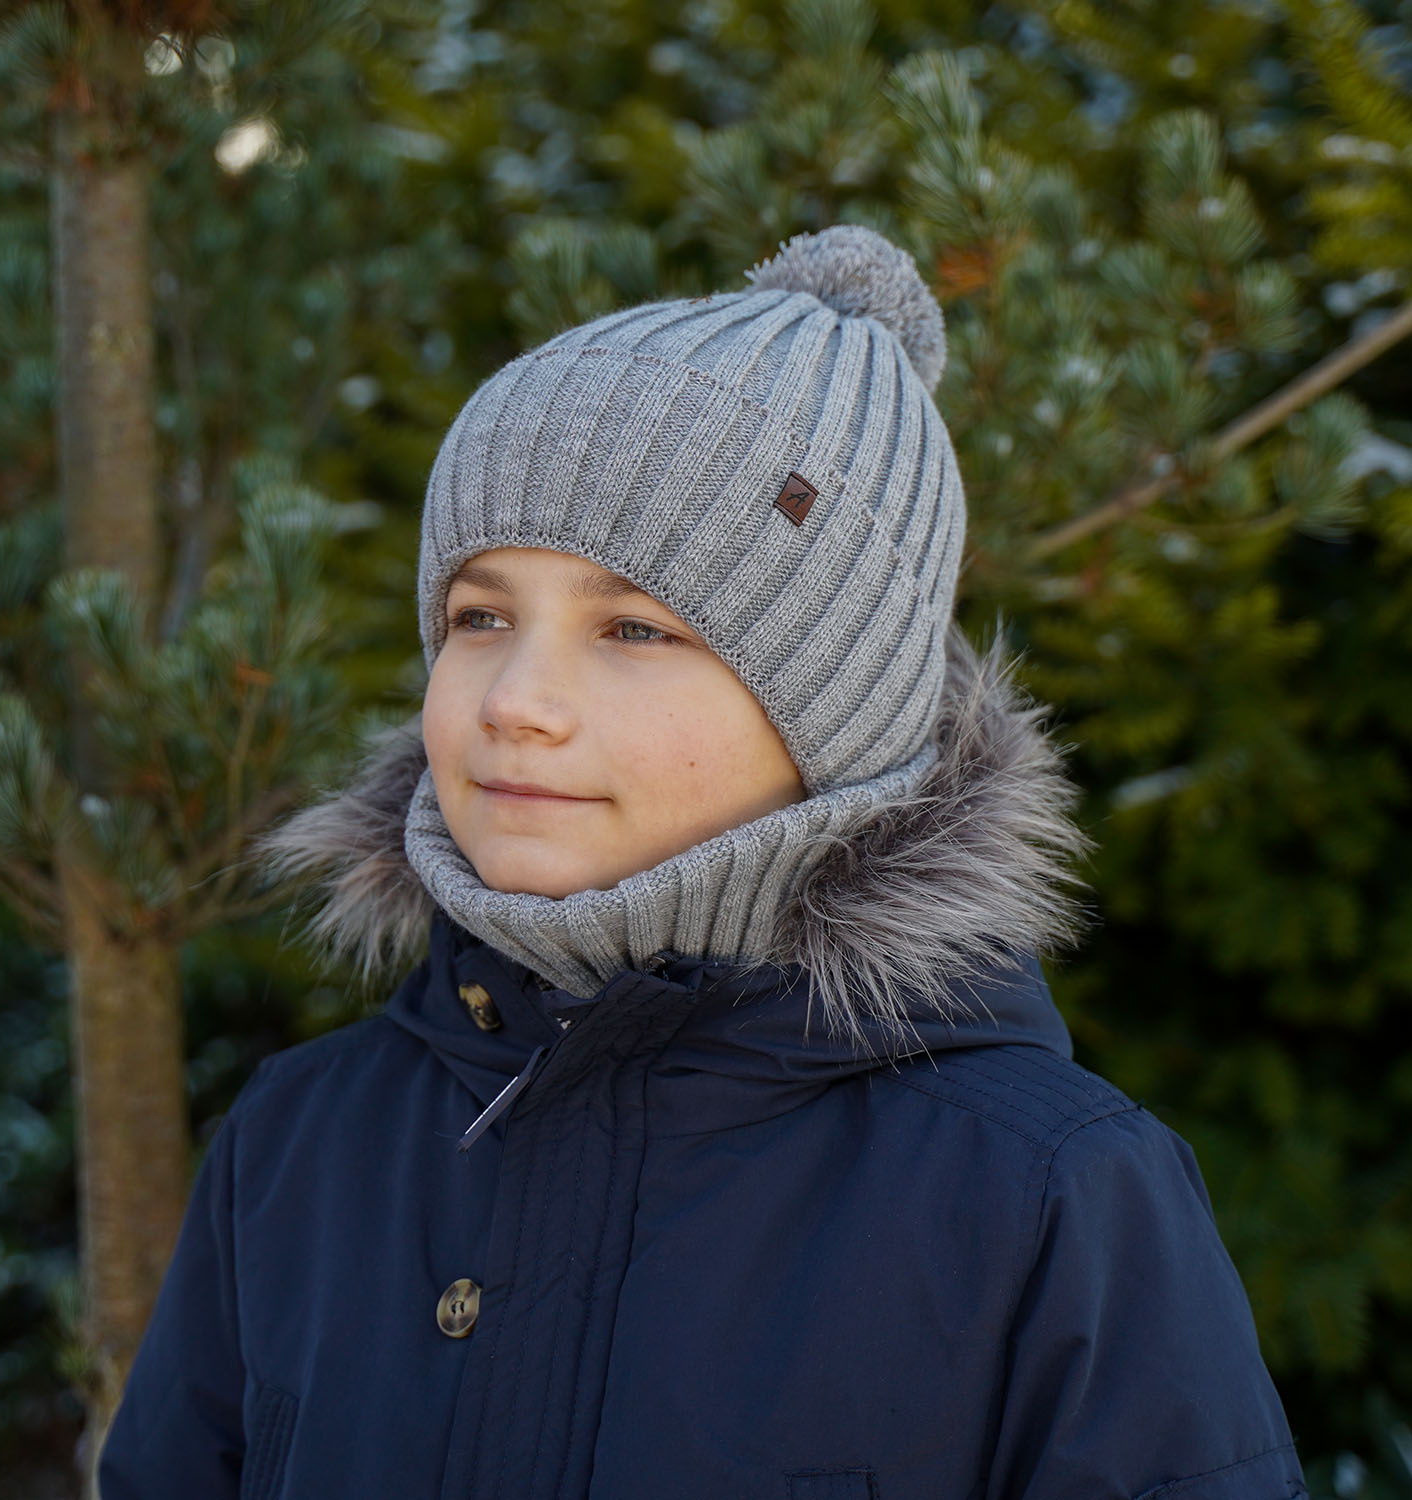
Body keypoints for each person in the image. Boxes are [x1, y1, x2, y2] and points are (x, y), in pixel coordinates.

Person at [97, 224, 1307, 1499]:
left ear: (834, 709)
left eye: (634, 629)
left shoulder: (1046, 1195)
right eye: (480, 616)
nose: (514, 701)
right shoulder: (302, 1143)